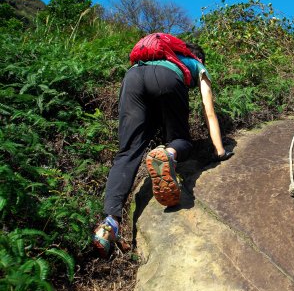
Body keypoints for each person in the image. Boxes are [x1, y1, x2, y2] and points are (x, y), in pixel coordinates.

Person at [92, 39, 233, 258]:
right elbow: (208, 109)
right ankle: (168, 154)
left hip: (132, 77)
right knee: (181, 141)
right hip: (167, 79)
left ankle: (108, 225)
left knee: (128, 151)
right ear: (199, 58)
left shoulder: (153, 57)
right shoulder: (196, 63)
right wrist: (219, 150)